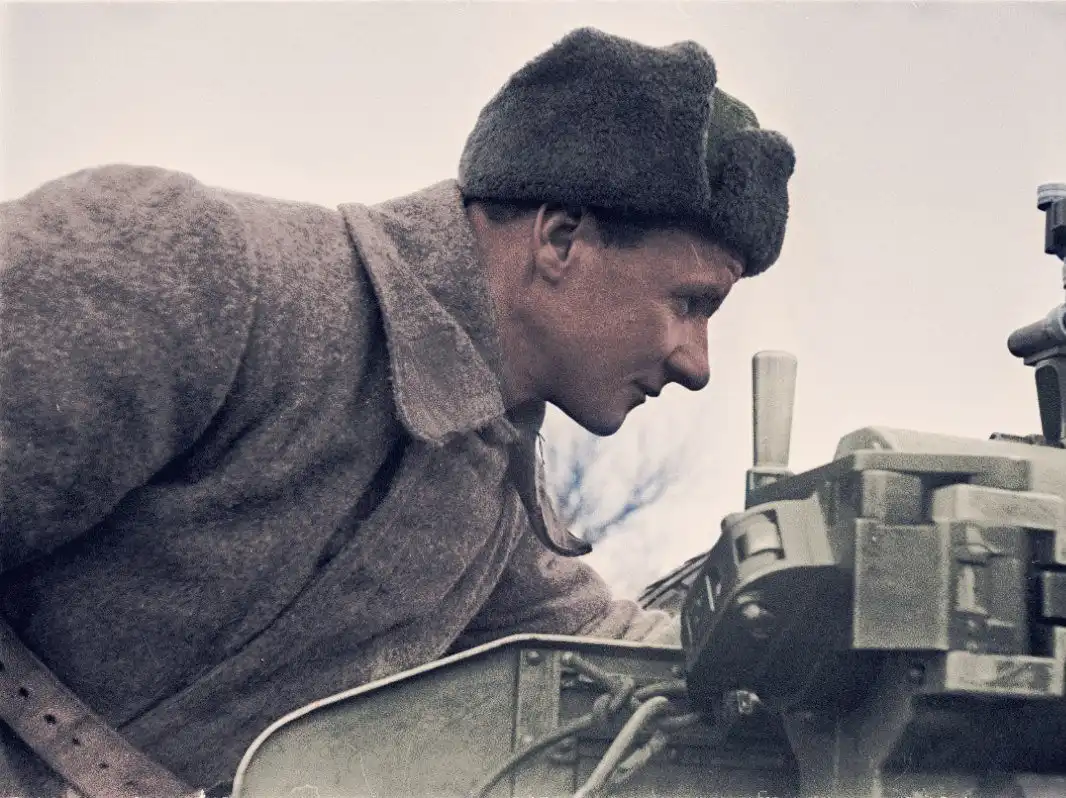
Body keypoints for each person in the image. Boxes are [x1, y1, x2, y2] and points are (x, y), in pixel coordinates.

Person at [0, 26, 795, 798]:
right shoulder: (198, 265)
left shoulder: (484, 504)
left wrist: (808, 633)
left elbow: (612, 657)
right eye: (690, 303)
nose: (697, 364)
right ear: (560, 239)